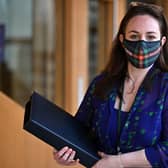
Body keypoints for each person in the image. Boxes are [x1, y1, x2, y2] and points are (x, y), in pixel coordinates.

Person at [53, 2, 168, 167]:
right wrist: (64, 151)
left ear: (162, 41)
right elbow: (78, 132)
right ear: (122, 40)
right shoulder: (101, 84)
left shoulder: (165, 88)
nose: (142, 43)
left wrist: (119, 162)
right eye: (134, 36)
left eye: (150, 37)